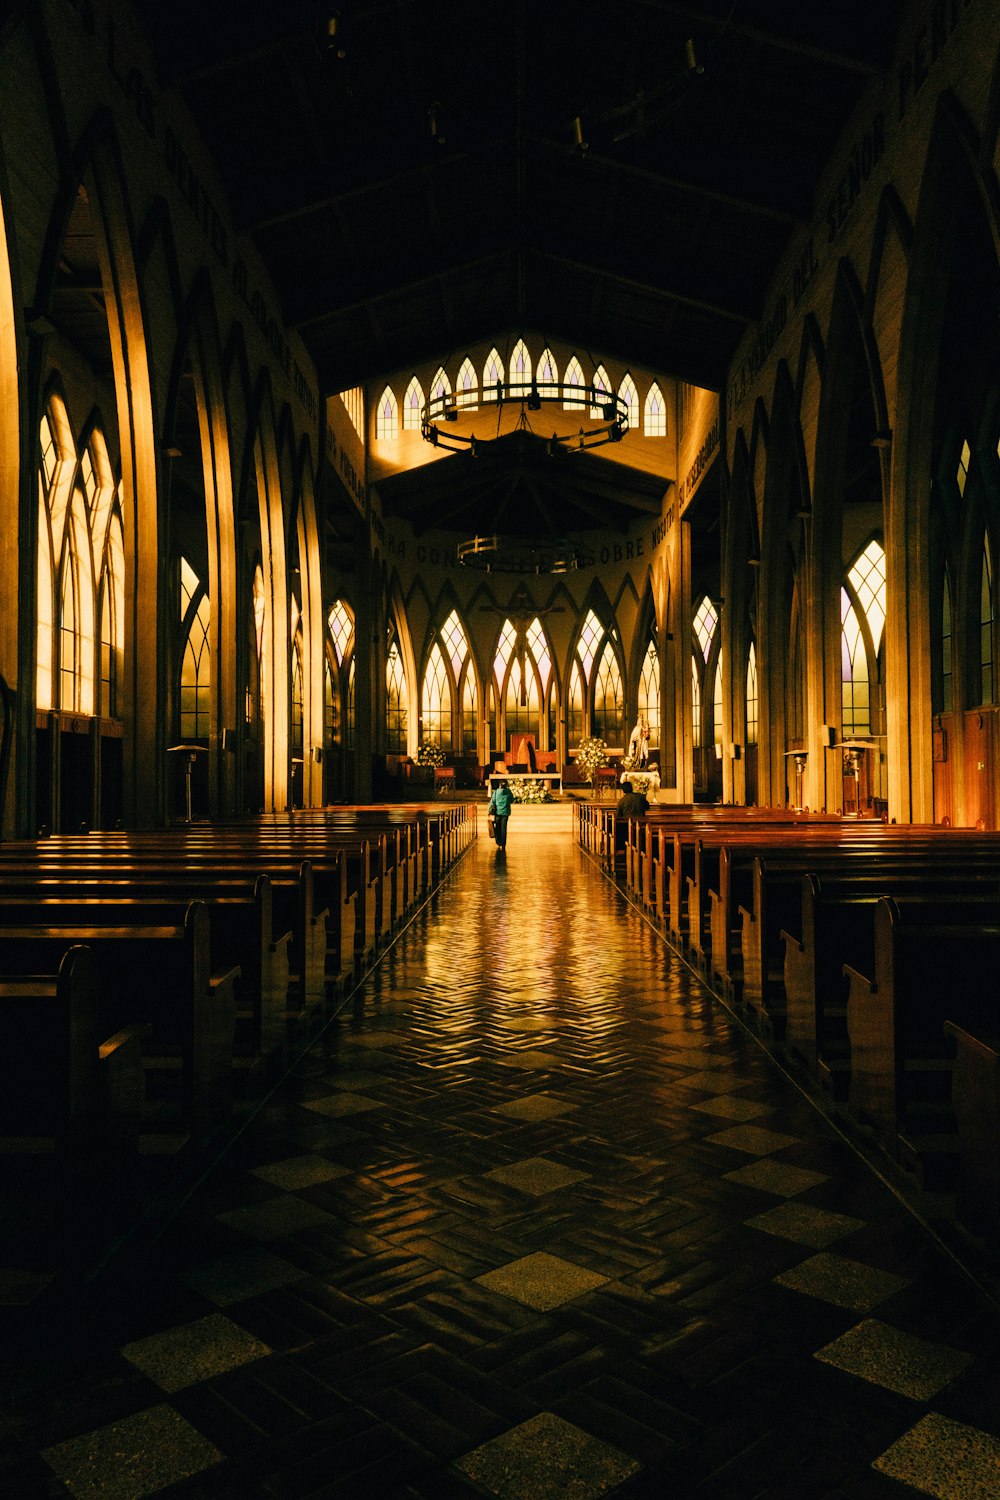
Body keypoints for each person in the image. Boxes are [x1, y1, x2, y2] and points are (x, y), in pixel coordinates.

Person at [488, 778, 514, 850]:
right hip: (505, 813)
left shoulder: (496, 792)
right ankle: (503, 844)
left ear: (500, 785)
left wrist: (489, 811)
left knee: (498, 828)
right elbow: (512, 800)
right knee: (504, 828)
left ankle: (498, 842)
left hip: (497, 813)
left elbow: (492, 802)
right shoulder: (508, 791)